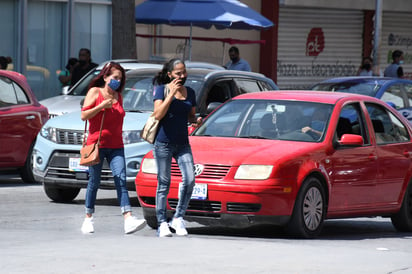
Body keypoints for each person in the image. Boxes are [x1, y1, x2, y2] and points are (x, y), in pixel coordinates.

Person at [80, 62, 146, 234]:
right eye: (115, 77)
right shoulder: (95, 92)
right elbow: (84, 115)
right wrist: (102, 106)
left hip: (117, 145)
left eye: (120, 78)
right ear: (105, 77)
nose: (118, 81)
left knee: (121, 179)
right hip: (97, 144)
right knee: (94, 182)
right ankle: (88, 218)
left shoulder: (119, 96)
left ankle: (128, 218)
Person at [151, 58, 202, 237]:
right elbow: (157, 114)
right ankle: (161, 222)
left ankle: (178, 217)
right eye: (178, 73)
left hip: (182, 144)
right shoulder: (161, 90)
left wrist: (196, 121)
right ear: (170, 74)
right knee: (164, 183)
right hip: (163, 143)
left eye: (184, 72)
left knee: (190, 180)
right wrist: (170, 94)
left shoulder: (190, 92)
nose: (182, 76)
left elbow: (190, 116)